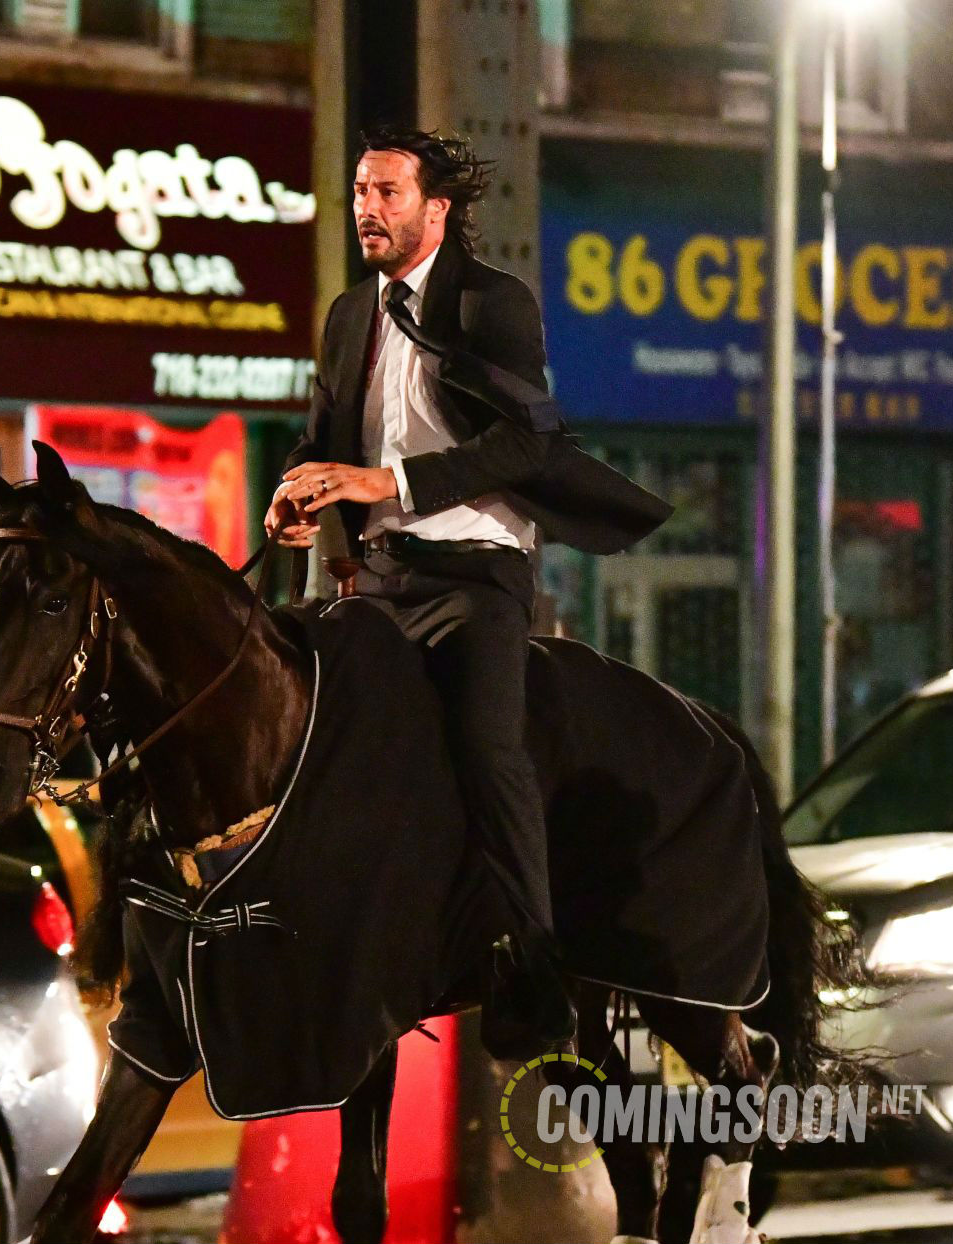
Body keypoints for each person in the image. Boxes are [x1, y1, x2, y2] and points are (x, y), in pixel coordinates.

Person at [265, 126, 671, 1051]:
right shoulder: (345, 316)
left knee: (488, 754)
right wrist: (297, 492)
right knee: (308, 741)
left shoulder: (493, 302)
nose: (367, 209)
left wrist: (393, 484)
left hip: (474, 573)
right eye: (360, 191)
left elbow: (528, 443)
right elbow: (325, 437)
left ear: (435, 209)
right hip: (375, 576)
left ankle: (533, 968)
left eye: (388, 194)